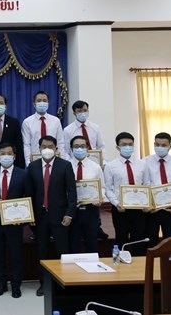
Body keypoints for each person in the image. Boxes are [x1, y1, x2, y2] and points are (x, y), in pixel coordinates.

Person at [25, 135, 76, 296]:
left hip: (60, 216)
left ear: (56, 149)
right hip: (40, 217)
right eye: (44, 147)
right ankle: (44, 284)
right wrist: (30, 215)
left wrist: (69, 214)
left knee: (63, 251)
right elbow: (29, 193)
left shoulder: (65, 166)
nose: (47, 149)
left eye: (50, 147)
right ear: (39, 149)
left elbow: (72, 192)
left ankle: (64, 282)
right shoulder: (32, 167)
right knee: (41, 251)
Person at [63, 100, 109, 240]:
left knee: (92, 199)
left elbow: (101, 146)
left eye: (85, 110)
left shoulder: (95, 127)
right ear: (74, 113)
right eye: (79, 111)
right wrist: (68, 165)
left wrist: (103, 162)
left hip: (93, 166)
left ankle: (97, 227)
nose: (83, 113)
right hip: (74, 166)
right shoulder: (68, 130)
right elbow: (65, 150)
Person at [0, 142, 26, 298]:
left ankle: (16, 284)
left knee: (16, 254)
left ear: (14, 156)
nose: (6, 156)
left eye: (9, 153)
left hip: (15, 221)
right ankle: (1, 283)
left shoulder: (23, 173)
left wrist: (23, 216)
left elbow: (28, 195)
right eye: (3, 153)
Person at [104, 132, 150, 256]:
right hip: (120, 209)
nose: (128, 147)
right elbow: (108, 189)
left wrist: (147, 203)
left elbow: (147, 185)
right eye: (124, 144)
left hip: (139, 209)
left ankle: (140, 268)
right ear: (117, 147)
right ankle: (119, 268)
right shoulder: (110, 166)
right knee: (121, 239)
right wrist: (116, 203)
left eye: (130, 144)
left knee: (139, 239)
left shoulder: (142, 164)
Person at [142, 132, 171, 248]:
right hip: (152, 210)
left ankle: (169, 264)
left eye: (163, 145)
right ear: (154, 144)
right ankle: (150, 265)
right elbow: (142, 185)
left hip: (170, 209)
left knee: (170, 241)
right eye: (157, 144)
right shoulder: (144, 162)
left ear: (170, 146)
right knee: (150, 240)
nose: (160, 147)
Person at [68, 136, 106, 253]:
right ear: (71, 148)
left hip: (91, 210)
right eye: (76, 146)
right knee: (73, 244)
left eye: (83, 146)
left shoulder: (95, 167)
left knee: (92, 244)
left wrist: (100, 197)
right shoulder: (65, 166)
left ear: (88, 148)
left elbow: (102, 187)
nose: (79, 149)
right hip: (72, 211)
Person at [21, 91, 66, 167]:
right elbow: (26, 145)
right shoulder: (27, 122)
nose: (42, 103)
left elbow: (60, 143)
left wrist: (62, 160)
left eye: (44, 101)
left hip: (54, 159)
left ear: (48, 103)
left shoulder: (56, 121)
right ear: (34, 104)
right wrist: (28, 162)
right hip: (35, 159)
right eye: (39, 101)